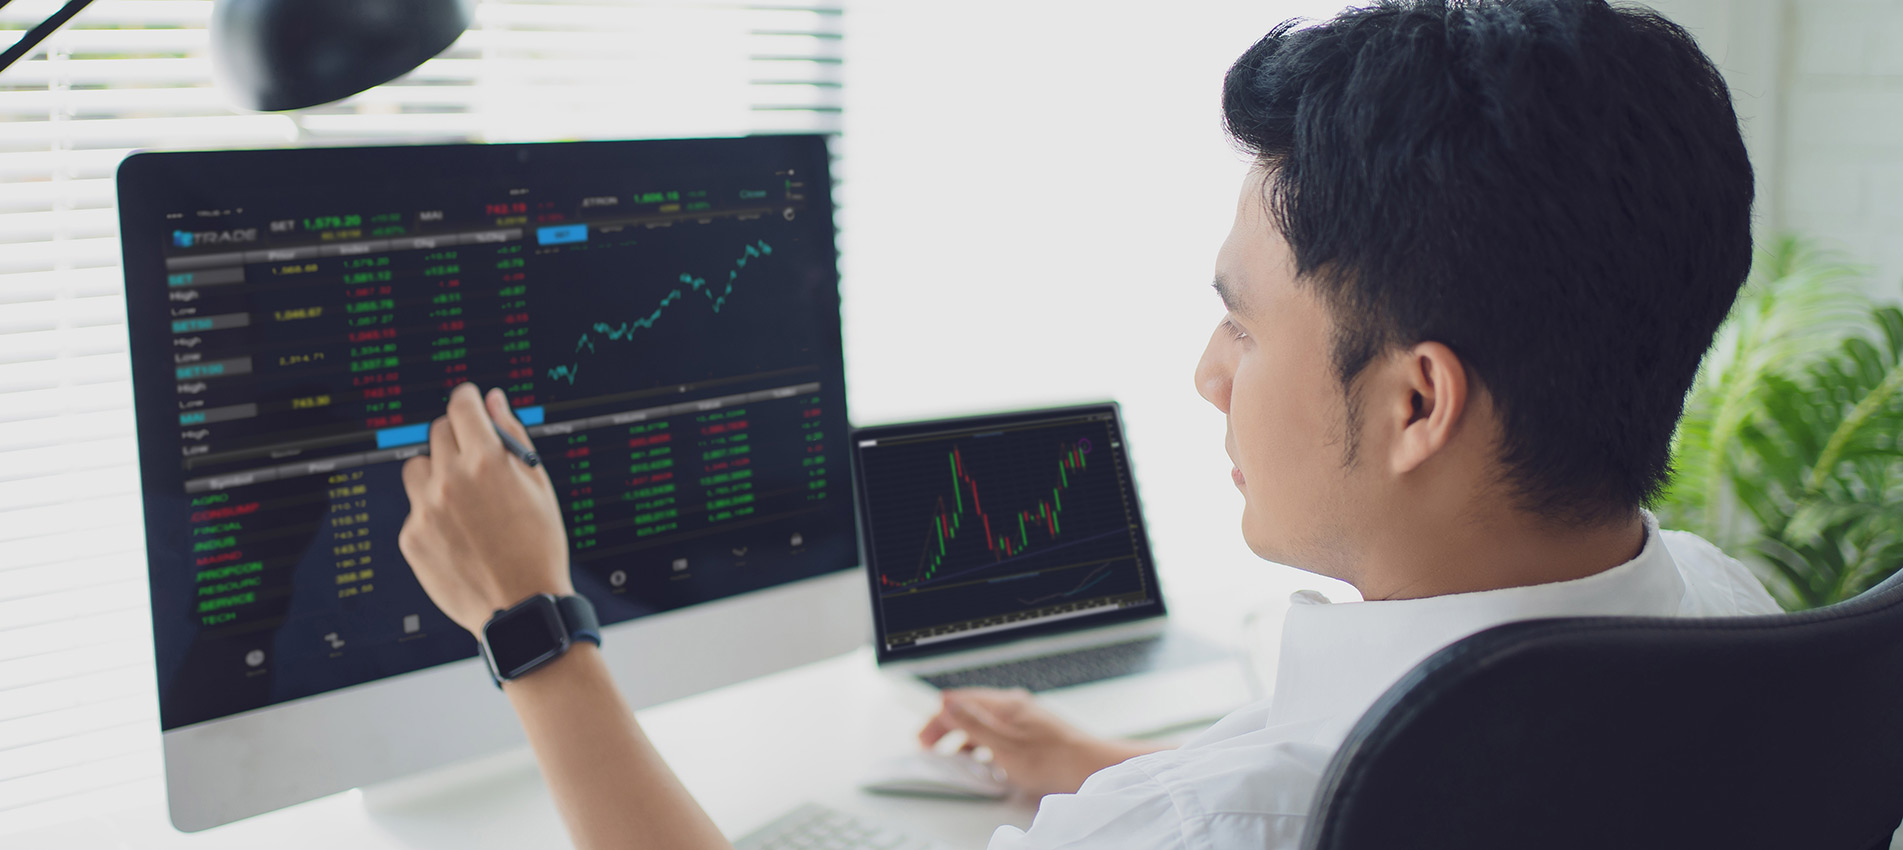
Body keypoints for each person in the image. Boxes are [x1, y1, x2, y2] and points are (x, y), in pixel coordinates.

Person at [395, 0, 1777, 847]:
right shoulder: (1741, 624)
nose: (1207, 373)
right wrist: (1105, 768)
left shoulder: (1194, 828)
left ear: (1416, 402)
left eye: (1245, 325)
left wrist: (534, 629)